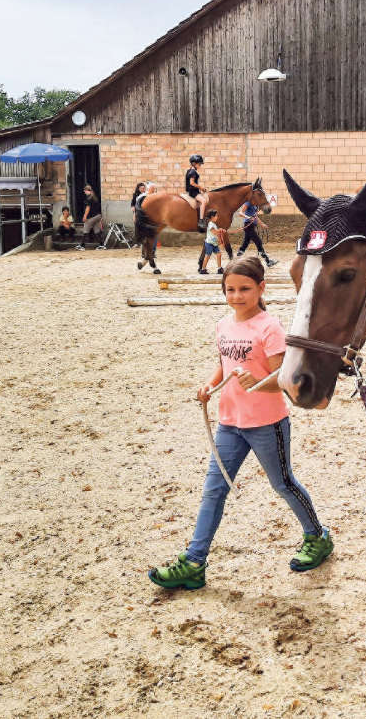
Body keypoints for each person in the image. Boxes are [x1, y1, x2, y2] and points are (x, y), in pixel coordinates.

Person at [147, 255, 333, 590]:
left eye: (244, 289)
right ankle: (194, 562)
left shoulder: (269, 327)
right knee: (213, 490)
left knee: (283, 484)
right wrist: (208, 385)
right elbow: (224, 365)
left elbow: (284, 376)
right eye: (230, 289)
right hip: (229, 423)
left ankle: (317, 536)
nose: (236, 296)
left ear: (260, 288)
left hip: (266, 423)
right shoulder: (223, 325)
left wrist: (258, 380)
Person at [237, 199, 278, 268]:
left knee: (245, 243)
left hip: (252, 226)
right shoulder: (248, 203)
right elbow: (240, 213)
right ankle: (268, 261)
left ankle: (236, 260)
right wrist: (248, 217)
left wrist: (262, 224)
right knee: (258, 242)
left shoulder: (255, 206)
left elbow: (255, 217)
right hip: (248, 226)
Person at [77, 184, 104, 251]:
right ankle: (101, 245)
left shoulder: (89, 198)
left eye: (85, 190)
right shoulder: (95, 197)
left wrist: (85, 216)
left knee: (86, 230)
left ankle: (82, 246)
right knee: (97, 231)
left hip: (92, 217)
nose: (84, 192)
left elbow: (88, 208)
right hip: (98, 216)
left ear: (87, 190)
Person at [186, 154, 209, 231]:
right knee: (203, 201)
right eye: (199, 164)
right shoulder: (192, 172)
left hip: (194, 190)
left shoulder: (190, 170)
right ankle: (201, 220)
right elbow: (192, 183)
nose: (200, 165)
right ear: (194, 163)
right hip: (193, 192)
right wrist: (201, 187)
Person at [198, 209, 224, 275]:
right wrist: (220, 230)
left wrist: (220, 230)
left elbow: (216, 232)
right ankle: (203, 269)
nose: (217, 217)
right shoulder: (210, 224)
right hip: (209, 243)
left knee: (219, 254)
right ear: (212, 217)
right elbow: (215, 232)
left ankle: (219, 268)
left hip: (214, 243)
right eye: (216, 216)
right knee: (207, 256)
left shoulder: (213, 224)